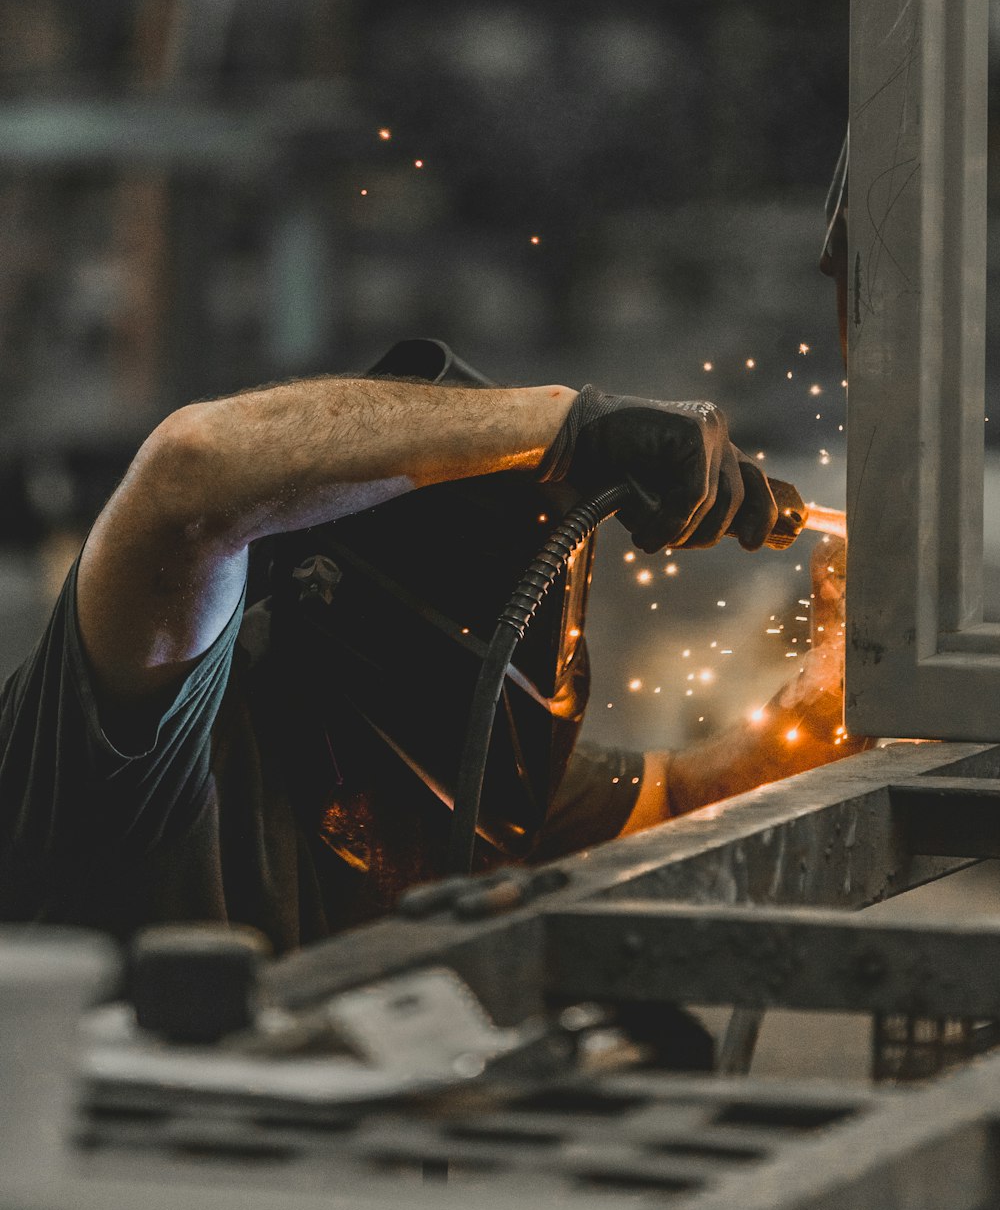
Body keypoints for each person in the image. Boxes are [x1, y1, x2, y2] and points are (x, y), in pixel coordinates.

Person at [0, 368, 863, 954]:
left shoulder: (465, 771)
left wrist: (840, 683)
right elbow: (191, 470)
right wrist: (569, 426)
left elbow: (679, 800)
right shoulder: (145, 736)